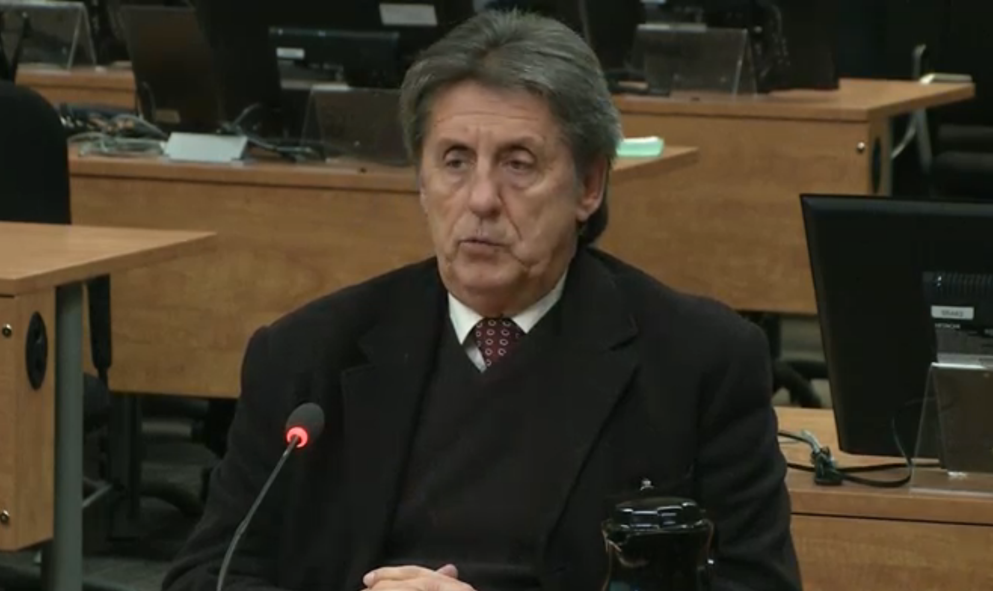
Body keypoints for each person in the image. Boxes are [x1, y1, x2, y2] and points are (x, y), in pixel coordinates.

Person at [163, 10, 801, 591]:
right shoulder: (305, 358)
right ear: (421, 181)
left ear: (589, 184)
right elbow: (207, 577)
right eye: (455, 161)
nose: (481, 199)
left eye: (518, 164)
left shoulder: (700, 363)